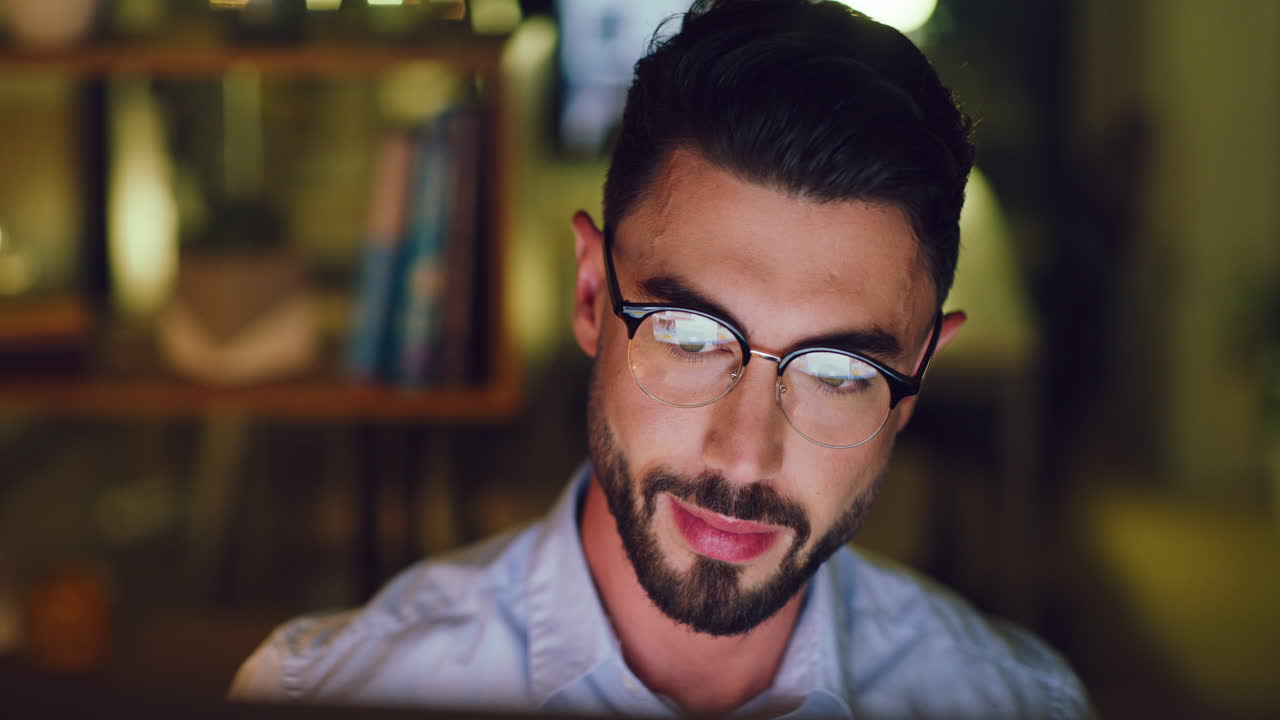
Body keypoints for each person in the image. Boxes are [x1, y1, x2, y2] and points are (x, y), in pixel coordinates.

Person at [231, 1, 1092, 717]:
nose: (744, 454)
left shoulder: (1019, 704)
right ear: (589, 298)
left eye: (839, 373)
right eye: (689, 335)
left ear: (915, 385)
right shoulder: (328, 691)